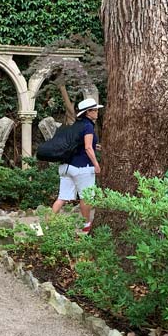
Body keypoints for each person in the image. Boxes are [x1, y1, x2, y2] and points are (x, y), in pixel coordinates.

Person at [50, 98, 103, 234]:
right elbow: (87, 148)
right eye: (94, 110)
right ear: (87, 112)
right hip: (82, 168)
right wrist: (96, 164)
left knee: (62, 197)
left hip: (66, 167)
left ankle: (47, 224)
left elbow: (82, 145)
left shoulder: (76, 126)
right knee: (86, 196)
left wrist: (95, 146)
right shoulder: (88, 126)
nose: (97, 112)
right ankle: (86, 226)